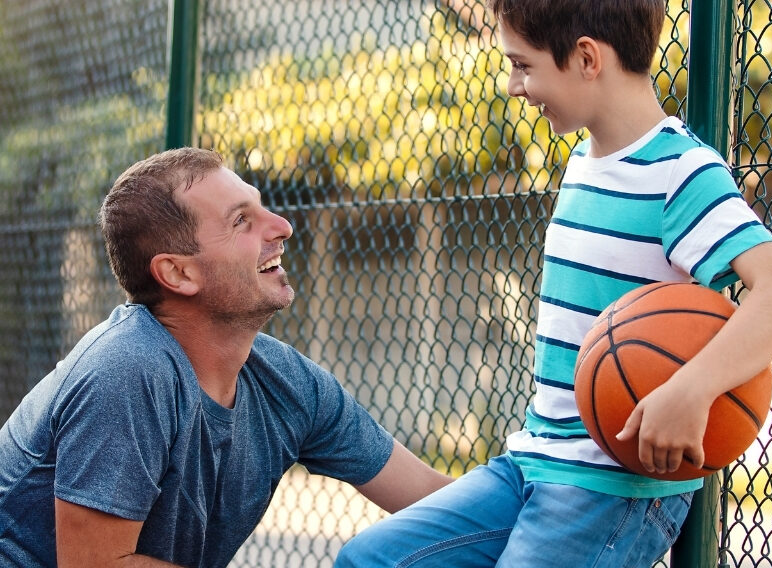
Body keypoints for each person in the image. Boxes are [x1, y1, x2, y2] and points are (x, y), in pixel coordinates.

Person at [335, 0, 772, 567]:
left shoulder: (680, 173)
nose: (513, 85)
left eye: (523, 64)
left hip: (611, 486)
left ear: (587, 58)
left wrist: (690, 389)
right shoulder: (584, 162)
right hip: (533, 459)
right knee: (369, 560)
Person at [0, 147, 452, 567]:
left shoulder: (288, 383)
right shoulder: (127, 369)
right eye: (241, 221)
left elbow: (432, 498)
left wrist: (522, 486)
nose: (281, 226)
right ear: (178, 272)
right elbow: (95, 566)